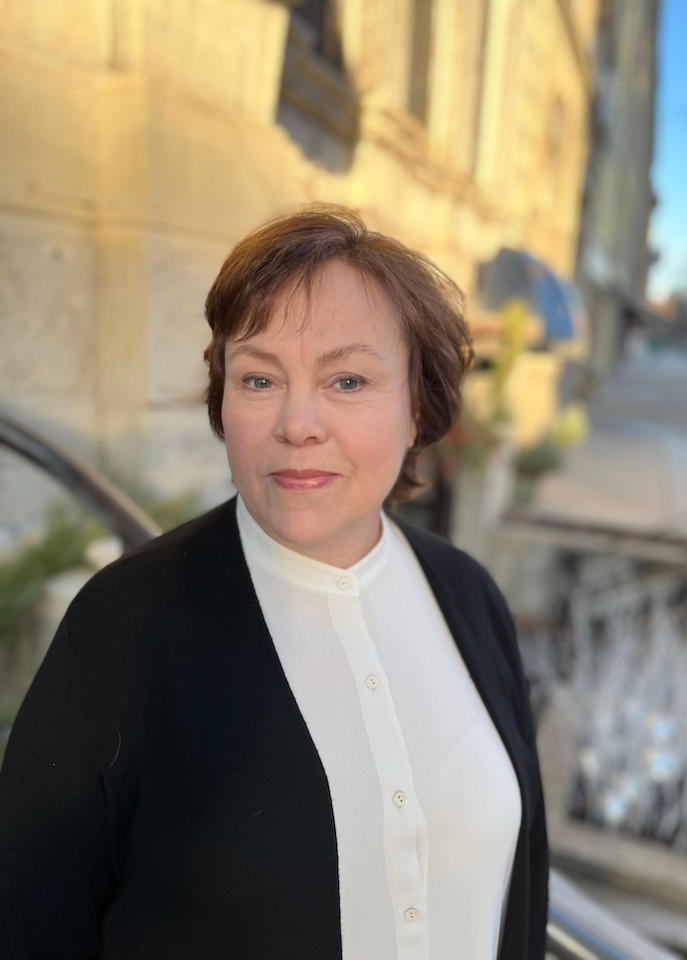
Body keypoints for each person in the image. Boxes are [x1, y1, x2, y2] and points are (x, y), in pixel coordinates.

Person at [0, 207, 548, 960]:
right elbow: (30, 924)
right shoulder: (126, 625)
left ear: (418, 405)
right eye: (259, 378)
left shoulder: (471, 597)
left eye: (347, 380)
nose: (297, 422)